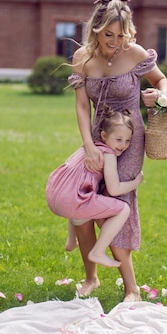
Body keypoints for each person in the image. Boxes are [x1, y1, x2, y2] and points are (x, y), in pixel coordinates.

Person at [69, 0, 167, 302]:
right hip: (98, 138)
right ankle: (91, 278)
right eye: (107, 34)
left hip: (129, 139)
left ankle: (132, 289)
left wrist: (158, 95)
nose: (114, 41)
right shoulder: (83, 58)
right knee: (82, 204)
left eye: (120, 34)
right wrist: (88, 145)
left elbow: (162, 80)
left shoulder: (135, 53)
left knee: (116, 201)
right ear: (95, 29)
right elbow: (82, 107)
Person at [46, 107, 144, 269]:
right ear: (104, 136)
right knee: (123, 210)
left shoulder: (88, 148)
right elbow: (114, 189)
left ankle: (72, 240)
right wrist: (137, 181)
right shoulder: (108, 154)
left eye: (128, 140)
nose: (124, 145)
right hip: (72, 201)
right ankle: (98, 251)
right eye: (119, 139)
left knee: (80, 194)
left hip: (54, 195)